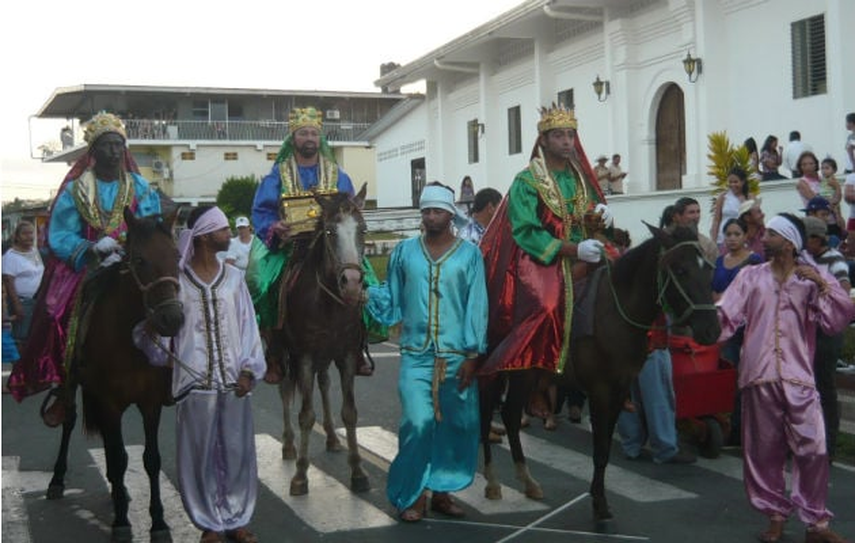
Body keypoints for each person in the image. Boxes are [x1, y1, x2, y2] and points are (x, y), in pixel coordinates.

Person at [6, 113, 162, 427]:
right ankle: (65, 386)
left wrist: (130, 245)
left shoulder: (140, 186)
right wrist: (90, 248)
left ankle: (170, 373)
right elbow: (59, 234)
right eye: (107, 145)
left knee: (168, 301)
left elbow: (151, 224)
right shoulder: (76, 190)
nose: (115, 151)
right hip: (88, 263)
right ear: (94, 150)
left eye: (119, 145)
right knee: (54, 313)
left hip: (131, 261)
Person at [717, 213, 854, 543]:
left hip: (798, 376)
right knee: (764, 451)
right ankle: (775, 516)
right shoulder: (751, 276)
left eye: (771, 235)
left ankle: (816, 523)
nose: (762, 240)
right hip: (759, 375)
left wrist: (822, 285)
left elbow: (839, 317)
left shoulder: (812, 278)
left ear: (790, 242)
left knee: (815, 447)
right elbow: (726, 313)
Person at [133, 205, 264, 543]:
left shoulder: (234, 279)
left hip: (234, 381)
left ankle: (237, 518)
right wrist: (155, 338)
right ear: (205, 237)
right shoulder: (177, 282)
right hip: (194, 386)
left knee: (238, 453)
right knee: (199, 458)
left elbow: (248, 327)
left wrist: (249, 368)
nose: (228, 236)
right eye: (222, 231)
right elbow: (162, 335)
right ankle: (209, 523)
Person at [477, 104, 613, 422]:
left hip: (583, 250)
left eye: (570, 135)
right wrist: (572, 250)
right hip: (540, 258)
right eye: (559, 136)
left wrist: (602, 216)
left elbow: (586, 212)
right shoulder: (527, 180)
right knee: (549, 305)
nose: (566, 141)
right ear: (544, 140)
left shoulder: (580, 177)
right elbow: (526, 231)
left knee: (626, 279)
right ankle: (539, 379)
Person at [365, 183, 488, 523]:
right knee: (417, 424)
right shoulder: (404, 252)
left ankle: (442, 494)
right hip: (416, 355)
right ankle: (413, 495)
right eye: (426, 211)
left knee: (453, 427)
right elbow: (391, 298)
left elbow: (476, 305)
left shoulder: (469, 255)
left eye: (437, 211)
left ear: (451, 214)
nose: (430, 217)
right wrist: (366, 292)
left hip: (456, 356)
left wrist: (473, 354)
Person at [248, 106, 381, 382]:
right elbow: (261, 212)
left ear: (320, 138)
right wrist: (274, 227)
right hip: (291, 245)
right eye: (303, 133)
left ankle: (358, 346)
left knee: (368, 281)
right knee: (263, 283)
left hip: (332, 243)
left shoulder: (338, 175)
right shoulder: (277, 176)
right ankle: (274, 351)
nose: (309, 137)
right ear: (293, 138)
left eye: (313, 133)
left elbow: (351, 208)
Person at [618, 206, 696, 465]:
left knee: (633, 396)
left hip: (634, 338)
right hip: (650, 339)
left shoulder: (634, 263)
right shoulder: (660, 268)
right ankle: (665, 447)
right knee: (657, 397)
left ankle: (632, 444)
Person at [803, 216, 850, 464]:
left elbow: (842, 290)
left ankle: (828, 445)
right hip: (808, 330)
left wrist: (820, 286)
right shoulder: (806, 259)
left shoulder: (834, 259)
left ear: (816, 239)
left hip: (827, 331)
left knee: (825, 386)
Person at [2, 221, 44, 350]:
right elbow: (9, 283)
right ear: (17, 236)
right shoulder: (10, 256)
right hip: (21, 302)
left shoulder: (34, 251)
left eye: (31, 233)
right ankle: (20, 368)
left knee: (35, 338)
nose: (29, 236)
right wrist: (17, 306)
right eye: (24, 233)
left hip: (37, 301)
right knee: (22, 339)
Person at [710, 167, 751, 249]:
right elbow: (716, 220)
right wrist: (713, 241)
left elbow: (752, 219)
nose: (733, 185)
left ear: (742, 182)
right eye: (730, 182)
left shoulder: (749, 197)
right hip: (722, 238)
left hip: (741, 238)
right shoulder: (723, 197)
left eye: (736, 182)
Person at [673, 197, 719, 261]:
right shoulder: (668, 239)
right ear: (678, 216)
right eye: (691, 212)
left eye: (698, 212)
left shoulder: (708, 244)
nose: (696, 216)